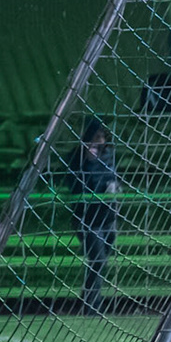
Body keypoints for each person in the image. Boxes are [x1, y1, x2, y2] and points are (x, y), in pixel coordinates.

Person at [61, 119, 120, 312]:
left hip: (108, 217)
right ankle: (92, 305)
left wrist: (114, 187)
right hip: (87, 219)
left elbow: (113, 179)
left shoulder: (108, 157)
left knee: (100, 261)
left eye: (101, 137)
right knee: (98, 259)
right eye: (95, 137)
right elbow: (73, 184)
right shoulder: (76, 158)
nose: (99, 141)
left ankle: (87, 297)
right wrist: (87, 161)